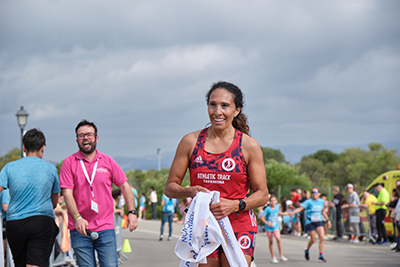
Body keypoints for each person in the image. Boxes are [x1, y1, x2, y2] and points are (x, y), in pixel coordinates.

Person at [164, 81, 269, 267]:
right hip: (204, 224)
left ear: (237, 110)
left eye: (225, 105)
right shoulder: (190, 142)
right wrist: (191, 191)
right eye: (212, 104)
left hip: (239, 223)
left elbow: (262, 195)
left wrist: (236, 205)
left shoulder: (249, 146)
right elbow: (170, 188)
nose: (217, 111)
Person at [60, 120, 138, 267]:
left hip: (105, 227)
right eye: (81, 135)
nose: (85, 138)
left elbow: (125, 186)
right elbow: (67, 193)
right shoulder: (69, 162)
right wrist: (77, 218)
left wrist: (132, 212)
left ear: (96, 138)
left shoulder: (107, 161)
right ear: (77, 140)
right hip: (80, 229)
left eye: (89, 134)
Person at [0, 128, 60, 267]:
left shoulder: (9, 167)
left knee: (20, 264)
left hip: (15, 223)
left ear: (24, 147)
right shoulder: (50, 169)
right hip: (41, 221)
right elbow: (55, 202)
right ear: (43, 148)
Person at [290, 188, 331, 263]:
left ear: (319, 193)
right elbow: (300, 208)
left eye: (316, 192)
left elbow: (323, 212)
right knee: (313, 240)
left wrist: (328, 220)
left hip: (318, 222)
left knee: (322, 238)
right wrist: (293, 212)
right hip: (310, 222)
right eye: (313, 192)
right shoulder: (308, 202)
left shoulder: (321, 202)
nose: (314, 194)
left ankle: (321, 256)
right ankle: (307, 249)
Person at [260, 195, 288, 263]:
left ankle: (281, 255)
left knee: (278, 239)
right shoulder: (267, 209)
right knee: (271, 241)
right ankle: (273, 257)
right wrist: (267, 223)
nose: (273, 202)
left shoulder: (277, 207)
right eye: (271, 201)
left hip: (275, 226)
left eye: (274, 200)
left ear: (276, 201)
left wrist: (284, 214)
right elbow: (262, 217)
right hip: (269, 227)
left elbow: (277, 213)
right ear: (269, 202)